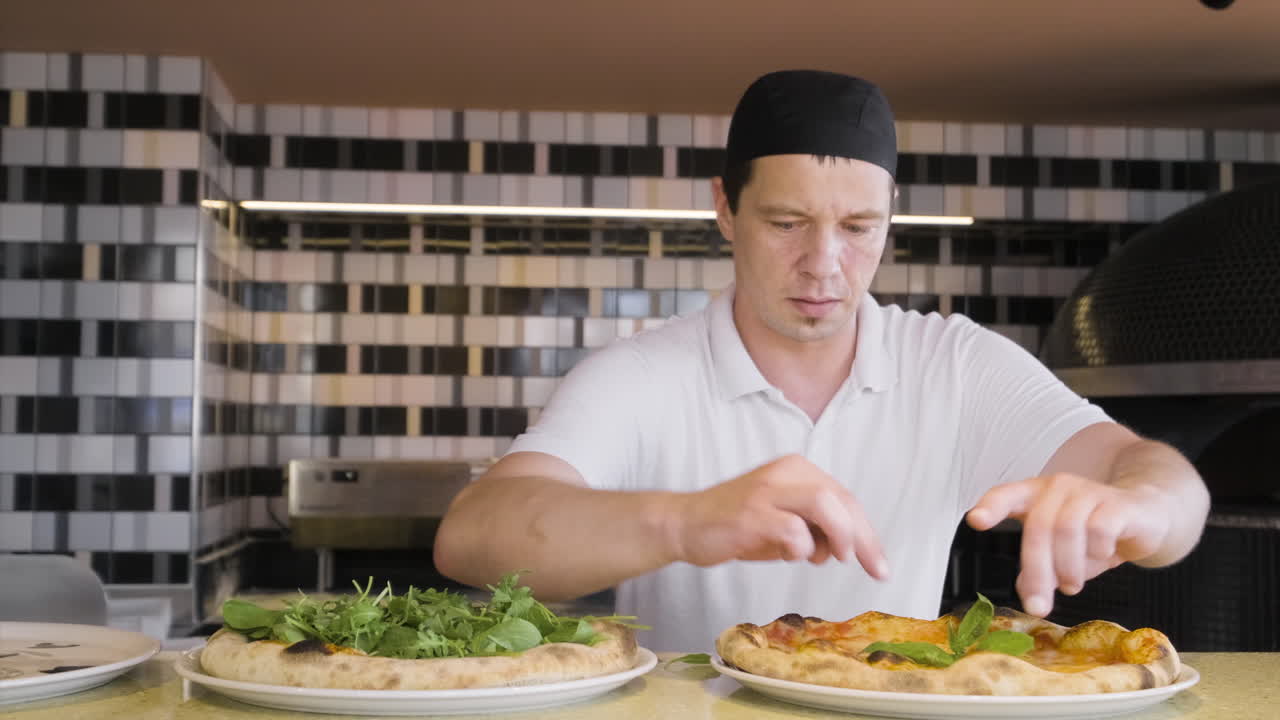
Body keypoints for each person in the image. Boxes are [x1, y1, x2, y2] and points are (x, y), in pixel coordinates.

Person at [434, 70, 1210, 653]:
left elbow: (1161, 480)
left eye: (859, 227)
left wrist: (1146, 510)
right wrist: (684, 520)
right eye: (786, 221)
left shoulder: (955, 364)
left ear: (890, 223)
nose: (824, 265)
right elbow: (471, 537)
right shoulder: (641, 375)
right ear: (726, 211)